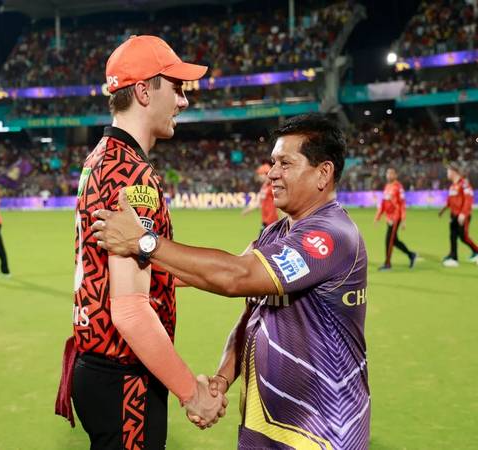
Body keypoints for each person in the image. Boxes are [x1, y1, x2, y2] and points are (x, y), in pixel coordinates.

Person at [92, 114, 370, 449]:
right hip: (263, 427)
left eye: (285, 163)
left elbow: (236, 276)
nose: (273, 174)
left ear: (323, 173)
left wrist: (143, 242)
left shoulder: (332, 235)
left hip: (323, 431)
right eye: (272, 162)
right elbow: (250, 316)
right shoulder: (275, 233)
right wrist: (222, 379)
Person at [54, 35, 226, 449]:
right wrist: (192, 393)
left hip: (99, 370)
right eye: (177, 87)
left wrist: (228, 278)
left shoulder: (102, 157)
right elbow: (131, 310)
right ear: (145, 91)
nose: (184, 101)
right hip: (123, 377)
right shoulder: (130, 174)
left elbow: (136, 272)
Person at [374, 167, 416, 270]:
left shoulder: (398, 187)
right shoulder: (387, 186)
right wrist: (378, 217)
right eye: (387, 173)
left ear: (395, 175)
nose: (388, 175)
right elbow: (383, 203)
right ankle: (411, 255)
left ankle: (387, 264)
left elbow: (402, 204)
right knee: (394, 241)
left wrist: (403, 220)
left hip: (396, 218)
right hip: (389, 219)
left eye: (391, 173)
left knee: (389, 240)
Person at [439, 163, 478, 267]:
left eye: (448, 171)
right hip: (453, 215)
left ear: (453, 172)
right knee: (452, 236)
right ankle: (453, 256)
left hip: (462, 215)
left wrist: (463, 214)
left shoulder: (464, 184)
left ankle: (476, 251)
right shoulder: (452, 186)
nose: (447, 173)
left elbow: (468, 199)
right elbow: (450, 200)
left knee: (463, 237)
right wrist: (443, 209)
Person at [242, 163, 280, 234]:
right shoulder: (264, 187)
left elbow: (282, 202)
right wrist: (248, 210)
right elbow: (259, 203)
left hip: (271, 220)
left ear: (267, 174)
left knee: (263, 242)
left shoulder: (273, 186)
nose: (259, 176)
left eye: (260, 174)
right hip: (265, 220)